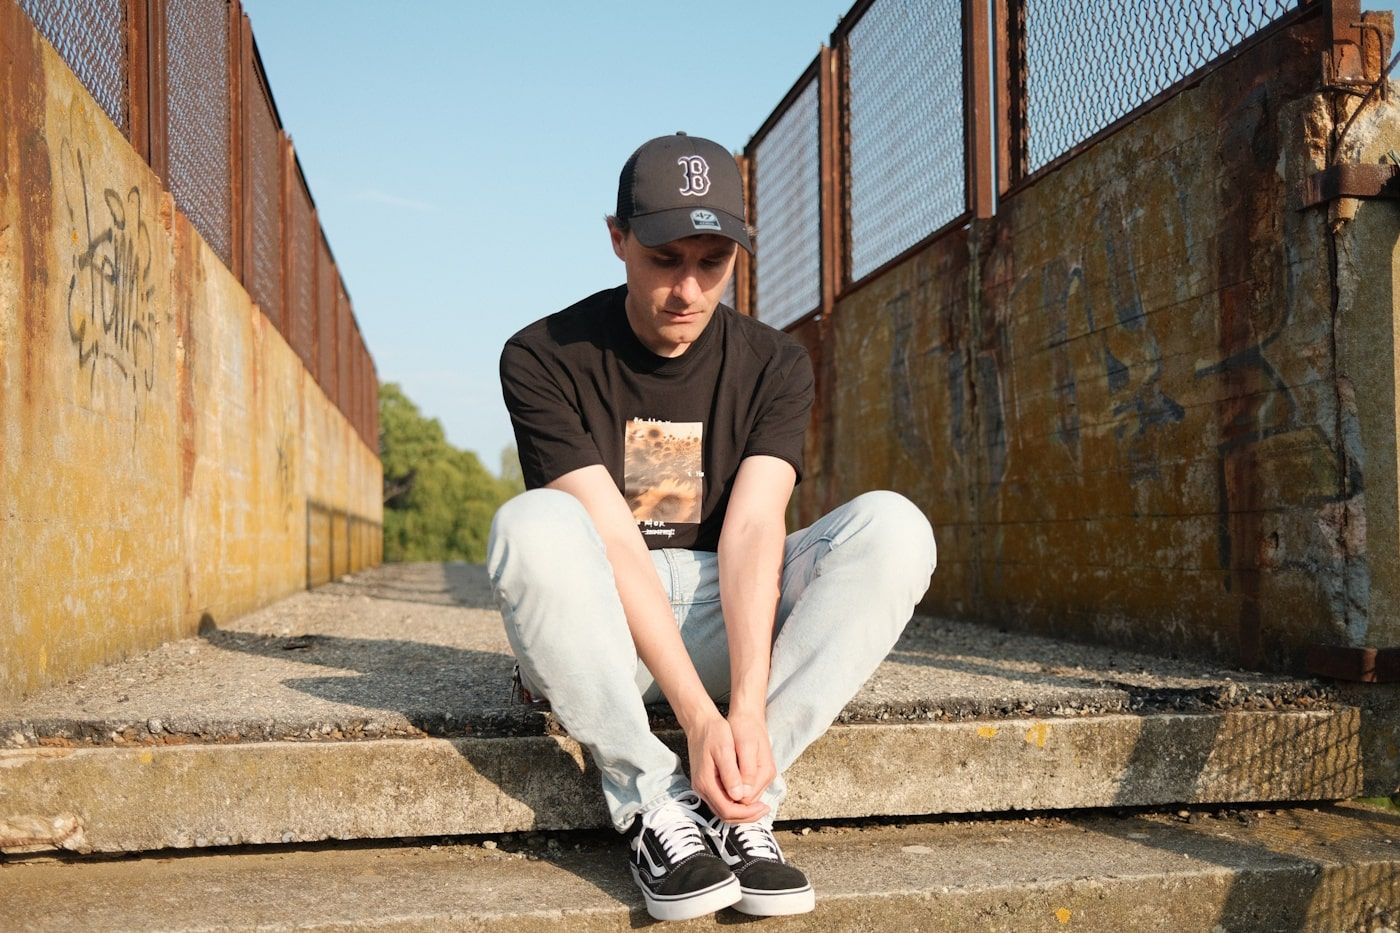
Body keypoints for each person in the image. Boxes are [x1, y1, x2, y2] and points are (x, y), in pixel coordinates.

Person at [488, 132, 936, 922]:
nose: (689, 289)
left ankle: (742, 797)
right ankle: (653, 803)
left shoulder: (775, 363)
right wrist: (698, 716)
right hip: (604, 627)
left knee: (894, 528)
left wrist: (747, 710)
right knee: (531, 525)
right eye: (664, 259)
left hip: (728, 616)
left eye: (713, 261)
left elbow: (755, 530)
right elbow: (614, 537)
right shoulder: (542, 356)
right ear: (618, 238)